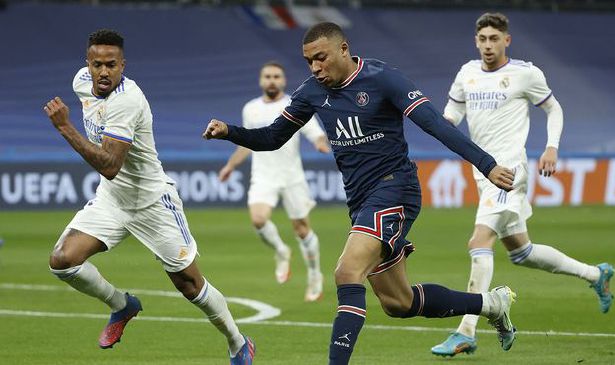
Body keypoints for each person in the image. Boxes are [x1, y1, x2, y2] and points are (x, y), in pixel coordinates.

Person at [204, 22, 520, 364]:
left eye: (321, 58)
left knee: (346, 271)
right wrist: (229, 132)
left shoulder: (383, 78)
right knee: (400, 303)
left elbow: (435, 124)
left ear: (343, 49)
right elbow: (272, 137)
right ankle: (491, 304)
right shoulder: (311, 92)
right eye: (309, 61)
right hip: (360, 200)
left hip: (395, 187)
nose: (315, 68)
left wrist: (486, 164)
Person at [43, 29, 254, 365]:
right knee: (63, 261)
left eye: (111, 65)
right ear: (87, 64)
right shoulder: (81, 82)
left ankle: (237, 341)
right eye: (97, 64)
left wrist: (65, 128)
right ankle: (122, 305)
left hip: (153, 202)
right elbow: (111, 177)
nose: (103, 72)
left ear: (123, 65)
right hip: (112, 200)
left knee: (189, 285)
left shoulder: (128, 100)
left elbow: (111, 165)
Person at [430, 13, 615, 358]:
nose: (488, 45)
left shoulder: (525, 74)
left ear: (507, 40)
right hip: (482, 174)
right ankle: (595, 274)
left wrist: (551, 147)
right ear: (476, 41)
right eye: (482, 38)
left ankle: (465, 330)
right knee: (521, 253)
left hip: (509, 172)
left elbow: (554, 109)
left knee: (478, 241)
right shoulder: (466, 75)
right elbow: (449, 120)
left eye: (494, 39)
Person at [219, 62, 329, 302]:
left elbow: (316, 132)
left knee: (302, 229)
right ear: (261, 81)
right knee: (258, 219)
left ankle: (314, 275)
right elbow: (246, 142)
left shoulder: (296, 105)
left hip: (292, 177)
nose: (272, 80)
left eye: (276, 76)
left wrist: (321, 143)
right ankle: (281, 251)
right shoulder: (251, 109)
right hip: (263, 176)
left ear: (283, 80)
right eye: (267, 76)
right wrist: (230, 165)